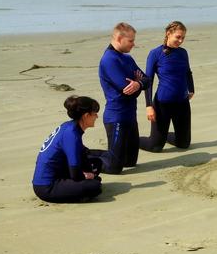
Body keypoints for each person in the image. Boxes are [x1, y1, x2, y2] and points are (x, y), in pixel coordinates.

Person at [99, 22, 150, 174]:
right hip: (116, 118)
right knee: (114, 168)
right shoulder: (109, 60)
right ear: (120, 38)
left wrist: (138, 84)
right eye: (131, 40)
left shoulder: (127, 59)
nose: (134, 44)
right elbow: (127, 91)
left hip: (130, 117)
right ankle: (85, 157)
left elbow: (147, 80)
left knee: (130, 162)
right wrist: (138, 84)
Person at [32, 96, 103, 203]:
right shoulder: (72, 134)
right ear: (86, 116)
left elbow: (81, 154)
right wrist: (88, 175)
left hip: (58, 173)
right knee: (95, 186)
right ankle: (77, 194)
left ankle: (76, 188)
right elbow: (75, 174)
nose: (97, 116)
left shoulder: (69, 126)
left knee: (96, 163)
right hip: (46, 186)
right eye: (94, 114)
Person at [139, 21, 194, 152]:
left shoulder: (183, 53)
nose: (180, 41)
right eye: (178, 37)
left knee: (184, 144)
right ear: (168, 34)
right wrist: (148, 106)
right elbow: (148, 80)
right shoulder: (155, 54)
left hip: (182, 103)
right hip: (162, 104)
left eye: (183, 38)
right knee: (156, 147)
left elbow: (187, 72)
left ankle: (163, 135)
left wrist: (191, 89)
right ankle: (132, 138)